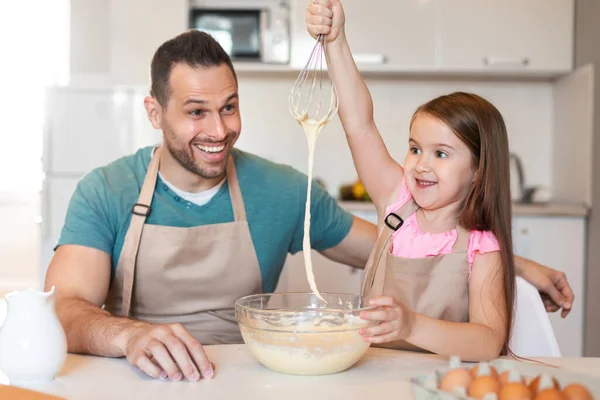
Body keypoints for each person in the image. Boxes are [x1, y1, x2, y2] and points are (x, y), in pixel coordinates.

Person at [44, 29, 574, 381]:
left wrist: (512, 264)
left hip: (249, 376)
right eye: (196, 112)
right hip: (141, 376)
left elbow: (389, 248)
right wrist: (130, 335)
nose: (219, 129)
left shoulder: (279, 189)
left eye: (229, 107)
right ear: (154, 113)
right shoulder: (106, 189)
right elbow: (64, 308)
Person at [306, 0, 557, 361]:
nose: (421, 165)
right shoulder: (396, 202)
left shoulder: (482, 247)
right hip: (374, 375)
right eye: (414, 148)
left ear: (478, 170)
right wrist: (337, 42)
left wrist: (411, 325)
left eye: (440, 153)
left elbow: (488, 341)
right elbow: (359, 123)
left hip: (444, 382)